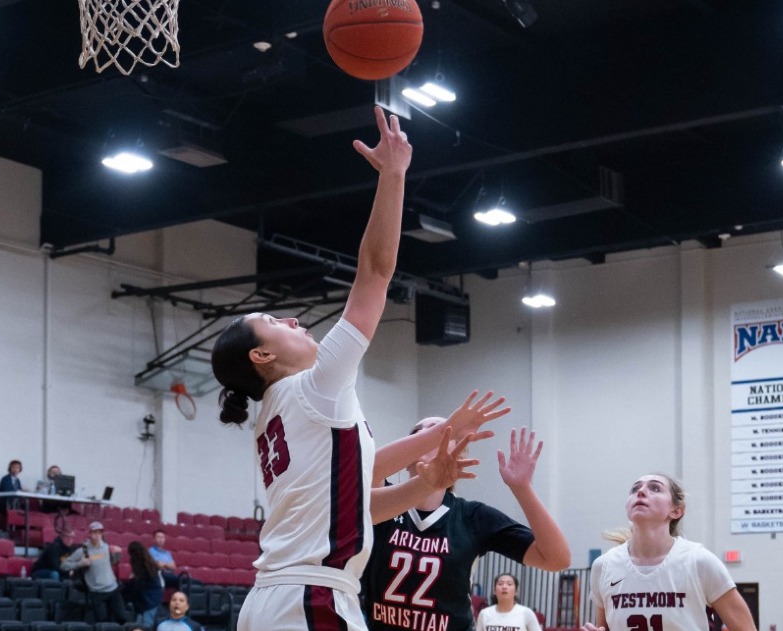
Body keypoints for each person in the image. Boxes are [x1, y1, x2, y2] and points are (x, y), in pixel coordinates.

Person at [210, 106, 508, 631]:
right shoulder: (315, 385)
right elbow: (375, 271)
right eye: (271, 320)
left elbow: (356, 493)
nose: (291, 317)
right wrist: (394, 176)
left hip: (278, 600)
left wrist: (430, 466)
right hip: (310, 599)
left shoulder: (283, 414)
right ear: (262, 356)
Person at [363, 427, 570, 631]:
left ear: (459, 457)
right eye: (419, 431)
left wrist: (523, 489)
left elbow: (556, 559)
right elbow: (368, 467)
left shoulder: (472, 517)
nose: (430, 433)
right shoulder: (380, 503)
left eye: (443, 431)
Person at [581, 474, 757, 631]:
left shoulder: (699, 561)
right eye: (635, 489)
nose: (641, 492)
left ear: (676, 511)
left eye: (655, 488)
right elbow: (604, 627)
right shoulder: (603, 566)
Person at [63, 521, 125, 623]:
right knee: (102, 622)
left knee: (122, 618)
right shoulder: (83, 551)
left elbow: (113, 563)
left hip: (113, 588)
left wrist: (118, 554)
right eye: (95, 532)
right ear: (90, 534)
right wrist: (80, 564)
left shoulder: (106, 547)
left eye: (99, 533)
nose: (97, 535)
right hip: (97, 591)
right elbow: (64, 565)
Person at [475, 574, 541, 631]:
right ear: (494, 590)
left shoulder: (526, 613)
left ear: (516, 591)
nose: (504, 587)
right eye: (500, 584)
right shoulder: (484, 613)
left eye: (509, 584)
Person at [125, 540, 164, 628]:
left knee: (146, 624)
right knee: (140, 624)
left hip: (149, 600)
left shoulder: (143, 567)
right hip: (149, 599)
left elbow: (138, 585)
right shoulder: (148, 562)